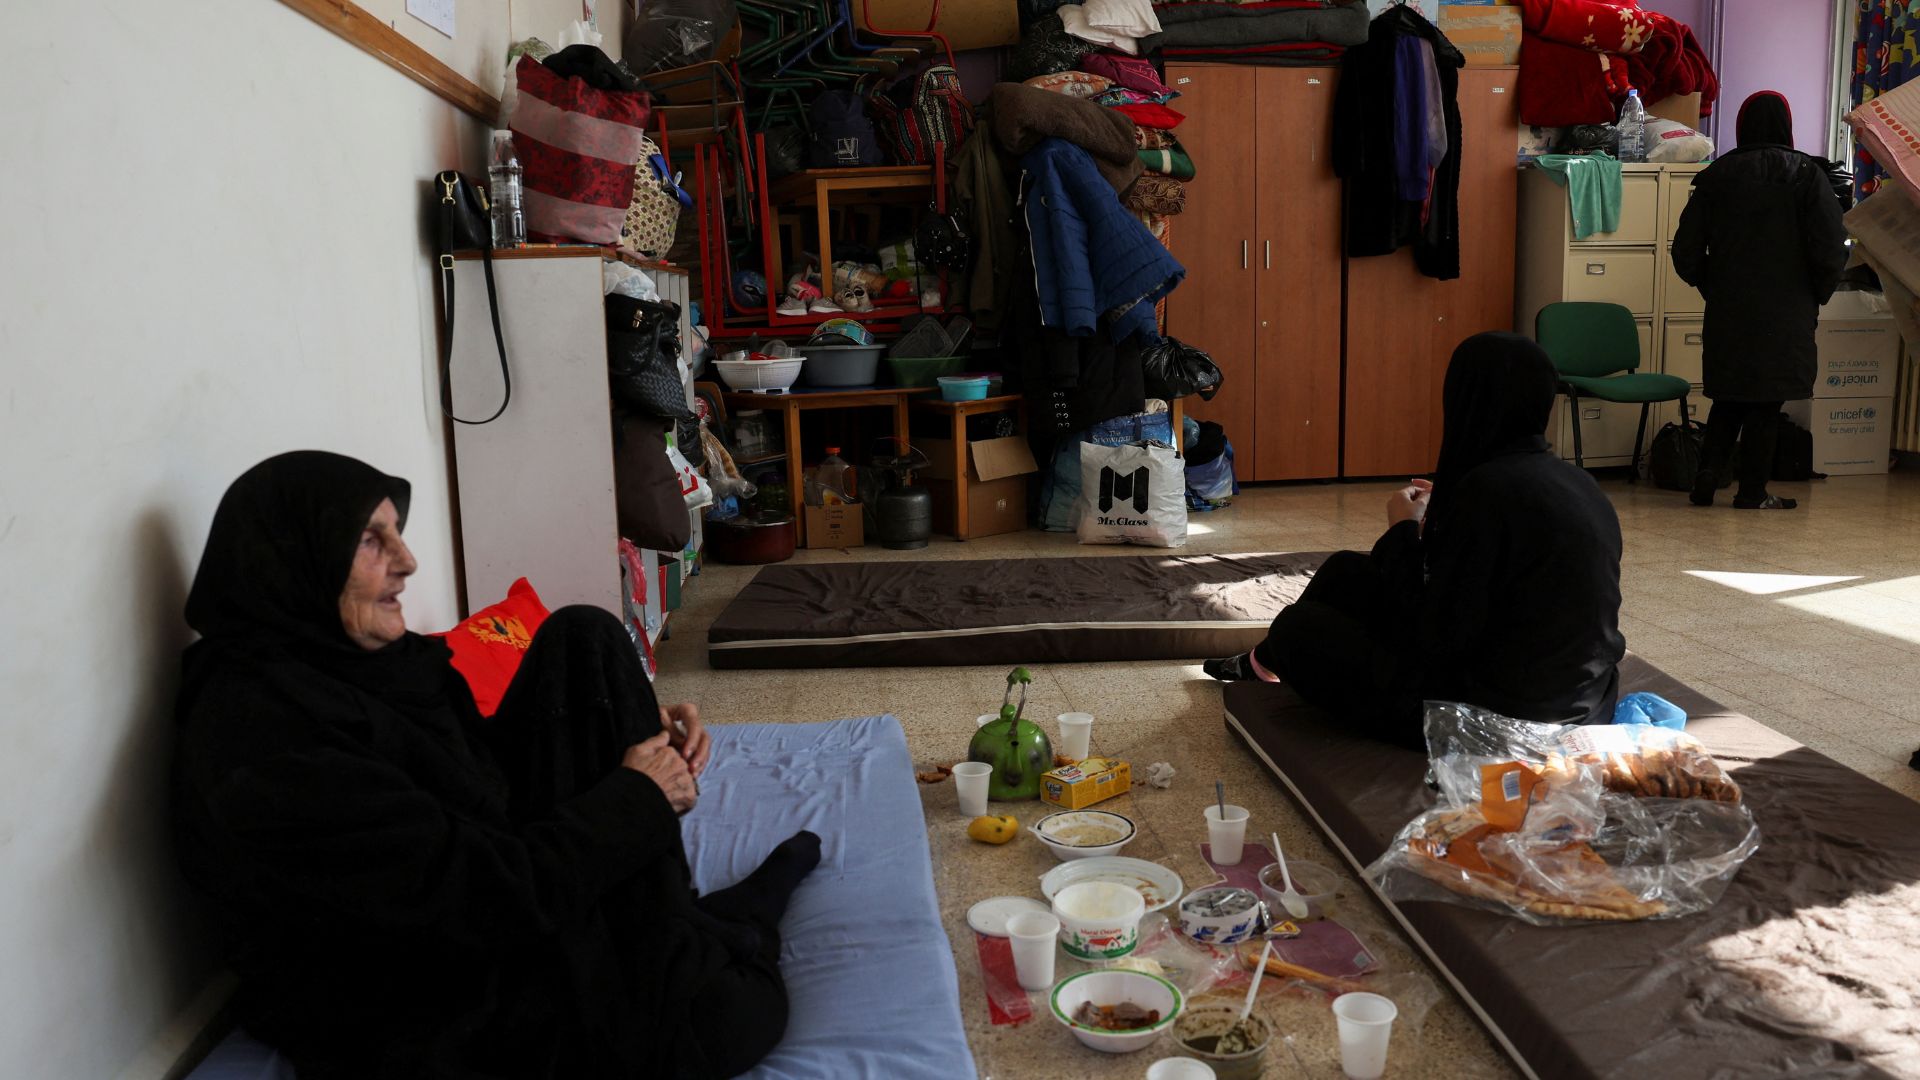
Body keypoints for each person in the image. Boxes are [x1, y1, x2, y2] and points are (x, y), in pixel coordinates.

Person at [172, 451, 819, 1080]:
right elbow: (479, 897)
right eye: (371, 542)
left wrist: (635, 722)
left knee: (584, 640)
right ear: (296, 564)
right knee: (733, 1017)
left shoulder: (337, 667)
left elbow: (464, 775)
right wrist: (638, 796)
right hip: (436, 1004)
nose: (406, 562)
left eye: (395, 533)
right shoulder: (269, 743)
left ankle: (680, 930)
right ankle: (709, 936)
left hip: (481, 899)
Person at [1205, 333, 1626, 748]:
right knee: (1347, 571)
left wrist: (1403, 530)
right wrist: (1444, 522)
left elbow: (1436, 637)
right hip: (1579, 697)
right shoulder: (1575, 480)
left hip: (1495, 719)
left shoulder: (1487, 492)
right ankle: (1261, 663)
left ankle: (1271, 656)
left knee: (1301, 630)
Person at [1672, 90, 1849, 510]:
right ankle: (1752, 491)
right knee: (1767, 401)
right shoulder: (1807, 176)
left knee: (1729, 395)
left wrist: (1711, 288)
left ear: (1742, 125)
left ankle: (1707, 477)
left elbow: (1685, 250)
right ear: (1787, 126)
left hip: (1730, 307)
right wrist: (1816, 294)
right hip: (1787, 308)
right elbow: (1830, 246)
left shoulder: (1716, 175)